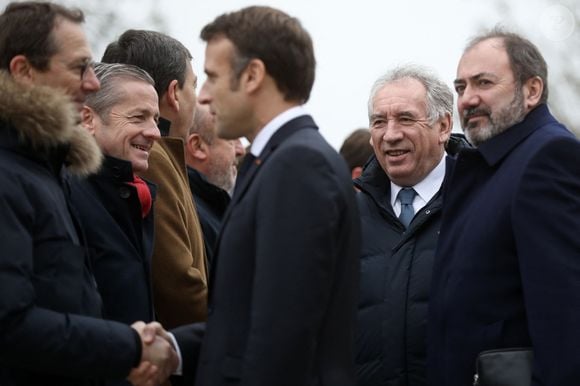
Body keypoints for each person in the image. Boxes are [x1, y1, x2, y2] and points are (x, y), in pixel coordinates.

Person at [172, 6, 361, 386]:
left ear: (253, 75)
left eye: (211, 77)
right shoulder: (275, 161)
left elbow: (282, 336)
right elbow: (242, 320)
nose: (203, 97)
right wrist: (169, 348)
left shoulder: (299, 165)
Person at [0, 2, 177, 385]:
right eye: (79, 67)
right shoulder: (11, 174)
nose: (92, 82)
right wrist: (128, 346)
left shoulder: (48, 171)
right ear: (23, 71)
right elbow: (9, 324)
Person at [428, 28, 580, 386]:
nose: (466, 99)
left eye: (483, 83)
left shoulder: (548, 158)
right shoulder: (492, 165)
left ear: (532, 90)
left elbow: (566, 319)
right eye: (461, 87)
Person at [354, 65, 466, 386]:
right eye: (379, 122)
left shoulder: (481, 202)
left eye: (405, 118)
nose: (390, 134)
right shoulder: (347, 217)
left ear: (443, 126)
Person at [102, 30, 208, 328]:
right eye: (194, 87)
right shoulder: (151, 161)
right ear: (175, 93)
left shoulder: (159, 157)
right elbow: (179, 286)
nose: (197, 100)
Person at [70, 62, 160, 328]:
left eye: (155, 118)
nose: (154, 132)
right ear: (88, 119)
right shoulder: (66, 192)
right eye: (138, 117)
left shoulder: (133, 194)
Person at [184, 103, 244, 266]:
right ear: (198, 146)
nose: (241, 150)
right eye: (231, 139)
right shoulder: (189, 214)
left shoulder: (213, 207)